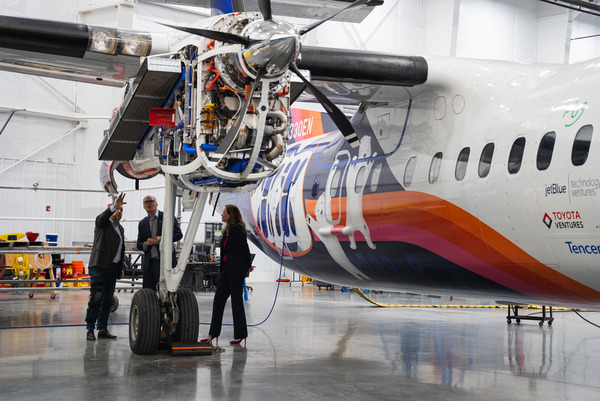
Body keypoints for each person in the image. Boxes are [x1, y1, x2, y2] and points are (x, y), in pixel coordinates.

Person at [202, 204, 254, 345]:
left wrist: (248, 266)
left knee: (237, 302)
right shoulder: (226, 231)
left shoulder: (238, 229)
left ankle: (240, 334)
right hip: (226, 271)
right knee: (218, 300)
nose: (222, 214)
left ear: (230, 214)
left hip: (236, 272)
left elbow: (244, 249)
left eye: (224, 212)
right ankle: (213, 333)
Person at [85, 193, 127, 341]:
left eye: (121, 210)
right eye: (117, 209)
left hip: (113, 268)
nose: (118, 212)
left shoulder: (120, 229)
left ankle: (102, 328)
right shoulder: (102, 223)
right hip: (99, 266)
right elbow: (100, 218)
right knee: (96, 297)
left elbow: (120, 249)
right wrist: (113, 206)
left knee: (108, 300)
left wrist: (120, 267)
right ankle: (90, 328)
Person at [137, 195, 183, 291]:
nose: (149, 204)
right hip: (149, 263)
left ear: (156, 204)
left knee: (166, 290)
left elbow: (179, 234)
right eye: (146, 202)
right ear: (143, 206)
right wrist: (146, 243)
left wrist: (164, 239)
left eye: (151, 201)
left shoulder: (167, 217)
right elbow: (139, 244)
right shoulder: (142, 223)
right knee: (148, 292)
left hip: (164, 262)